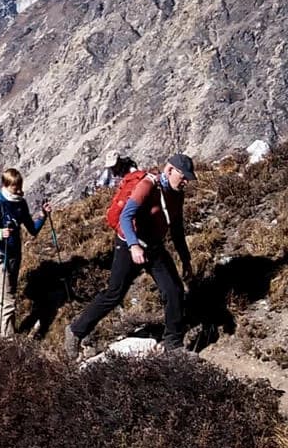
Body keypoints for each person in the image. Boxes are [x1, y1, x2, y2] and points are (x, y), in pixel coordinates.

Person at [65, 153, 196, 357]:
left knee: (173, 290)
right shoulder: (147, 185)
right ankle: (75, 331)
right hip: (129, 246)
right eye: (183, 176)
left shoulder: (177, 193)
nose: (186, 181)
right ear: (170, 170)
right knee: (114, 294)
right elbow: (126, 216)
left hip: (154, 247)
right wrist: (134, 246)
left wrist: (186, 260)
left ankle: (173, 344)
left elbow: (177, 228)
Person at [0, 168, 51, 339]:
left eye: (19, 186)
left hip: (14, 255)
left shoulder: (20, 204)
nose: (18, 190)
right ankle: (8, 341)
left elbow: (32, 230)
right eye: (14, 187)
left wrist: (43, 216)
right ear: (5, 185)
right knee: (7, 300)